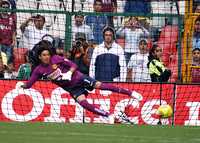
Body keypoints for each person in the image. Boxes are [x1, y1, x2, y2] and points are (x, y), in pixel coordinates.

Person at [16, 40, 143, 124]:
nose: (46, 57)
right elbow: (29, 84)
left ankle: (130, 93)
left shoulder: (56, 58)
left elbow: (73, 65)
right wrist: (22, 86)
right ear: (39, 57)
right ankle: (108, 116)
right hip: (72, 89)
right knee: (83, 103)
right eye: (44, 55)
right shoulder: (39, 70)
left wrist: (68, 73)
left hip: (79, 77)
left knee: (100, 85)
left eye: (47, 54)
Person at [0, 0, 16, 67]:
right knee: (2, 61)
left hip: (9, 44)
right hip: (0, 43)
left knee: (8, 61)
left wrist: (14, 40)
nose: (5, 9)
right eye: (3, 7)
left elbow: (14, 30)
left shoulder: (11, 18)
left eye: (7, 7)